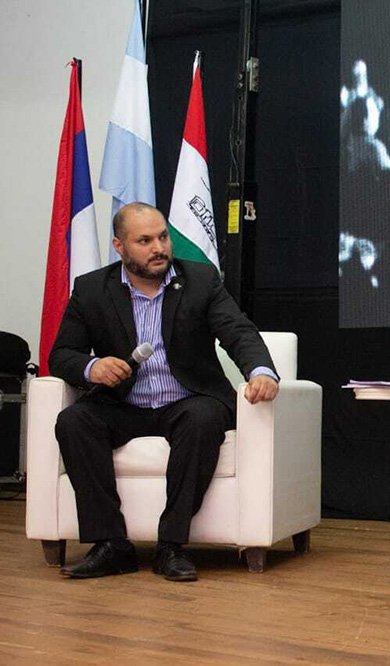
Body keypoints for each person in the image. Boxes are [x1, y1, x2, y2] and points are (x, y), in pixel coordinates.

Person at [49, 202, 280, 582]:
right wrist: (93, 367)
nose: (158, 248)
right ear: (119, 246)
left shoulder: (200, 280)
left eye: (162, 237)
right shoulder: (91, 289)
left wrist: (261, 372)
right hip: (123, 403)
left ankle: (171, 546)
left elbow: (238, 332)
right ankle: (111, 545)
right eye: (144, 241)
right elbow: (62, 355)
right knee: (73, 421)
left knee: (202, 419)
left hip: (187, 400)